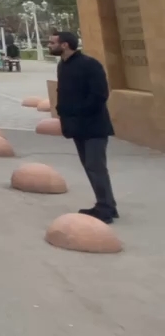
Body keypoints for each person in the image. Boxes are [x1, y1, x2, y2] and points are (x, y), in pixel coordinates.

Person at [49, 31, 118, 223]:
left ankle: (105, 208)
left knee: (96, 167)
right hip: (76, 127)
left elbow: (100, 95)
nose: (49, 45)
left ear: (65, 45)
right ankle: (107, 204)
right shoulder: (62, 65)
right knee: (90, 167)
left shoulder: (90, 64)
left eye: (52, 42)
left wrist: (78, 113)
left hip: (94, 126)